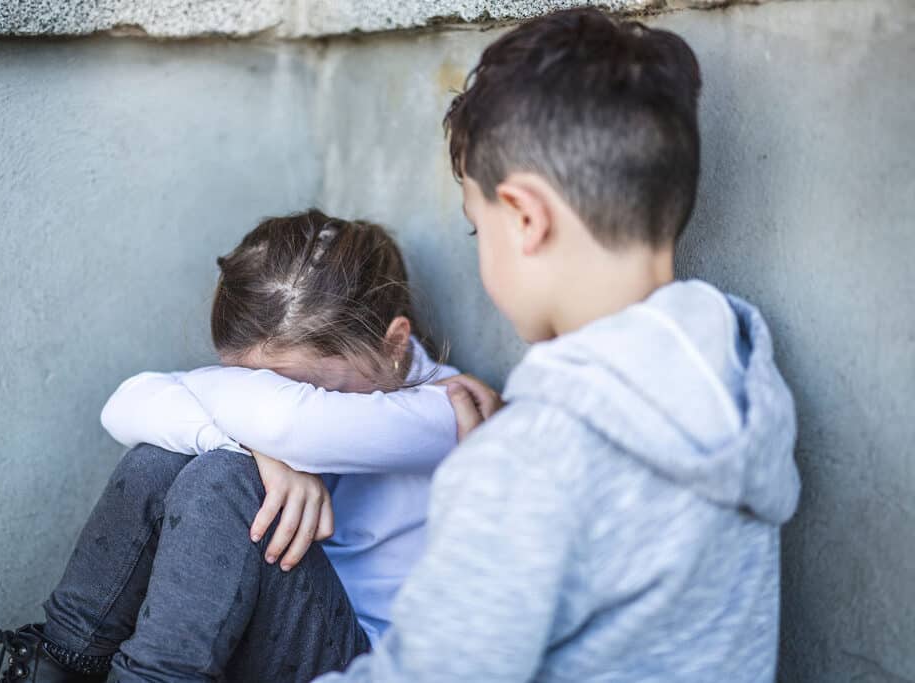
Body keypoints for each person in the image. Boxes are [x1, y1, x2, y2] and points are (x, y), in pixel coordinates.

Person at [317, 8, 801, 682]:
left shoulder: (532, 459)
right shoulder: (735, 380)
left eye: (477, 227)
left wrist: (504, 460)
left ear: (524, 217)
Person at [0, 210, 479, 682]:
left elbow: (283, 421)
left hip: (361, 659)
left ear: (393, 345)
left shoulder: (447, 412)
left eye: (302, 388)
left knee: (224, 478)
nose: (260, 396)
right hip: (276, 621)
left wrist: (243, 434)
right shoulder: (299, 397)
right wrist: (246, 445)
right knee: (161, 458)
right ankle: (61, 661)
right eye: (247, 382)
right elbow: (124, 405)